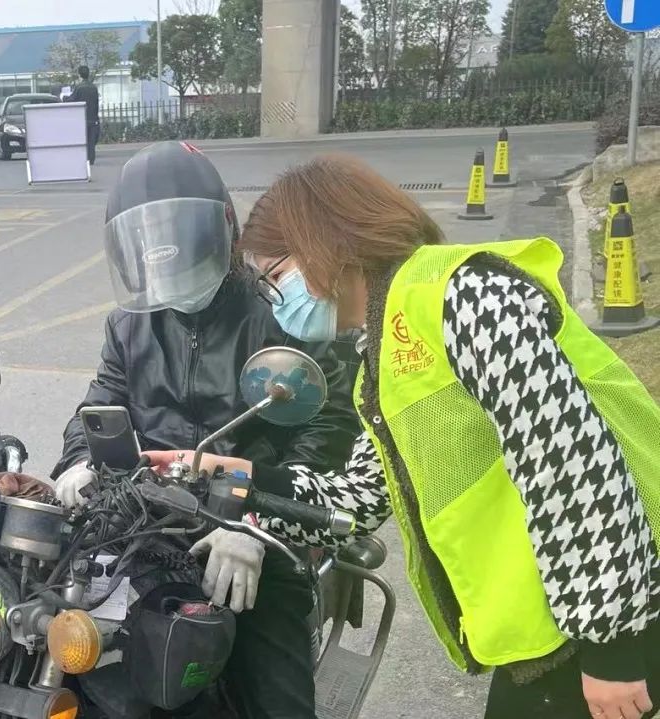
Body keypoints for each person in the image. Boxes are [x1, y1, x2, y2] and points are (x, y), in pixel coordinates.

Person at [145, 155, 660, 719]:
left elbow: (572, 469)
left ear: (327, 243)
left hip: (625, 608)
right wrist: (229, 476)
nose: (275, 298)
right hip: (562, 620)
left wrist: (614, 650)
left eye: (276, 276)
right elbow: (357, 500)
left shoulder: (465, 298)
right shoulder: (385, 350)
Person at [51, 141, 362, 718]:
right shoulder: (128, 326)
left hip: (252, 530)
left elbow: (328, 429)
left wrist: (258, 524)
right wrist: (78, 459)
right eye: (147, 243)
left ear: (219, 230)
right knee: (67, 649)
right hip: (148, 523)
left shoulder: (279, 310)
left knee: (277, 701)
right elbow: (99, 405)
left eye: (176, 239)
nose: (164, 260)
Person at [65, 65, 100, 165]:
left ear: (79, 75)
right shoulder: (94, 88)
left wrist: (64, 98)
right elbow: (96, 103)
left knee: (82, 140)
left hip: (81, 118)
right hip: (93, 118)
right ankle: (91, 159)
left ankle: (83, 159)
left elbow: (72, 100)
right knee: (91, 141)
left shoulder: (79, 88)